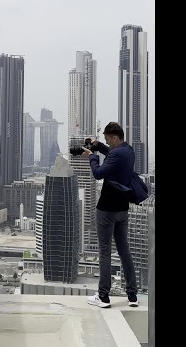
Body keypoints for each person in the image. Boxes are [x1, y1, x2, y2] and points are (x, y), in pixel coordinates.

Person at [81, 121, 139, 308]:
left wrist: (92, 156)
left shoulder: (116, 154)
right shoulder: (128, 151)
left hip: (106, 209)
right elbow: (113, 154)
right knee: (124, 250)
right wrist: (98, 145)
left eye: (107, 139)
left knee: (104, 251)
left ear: (114, 137)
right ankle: (132, 295)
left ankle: (103, 296)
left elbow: (98, 174)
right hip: (122, 209)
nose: (108, 142)